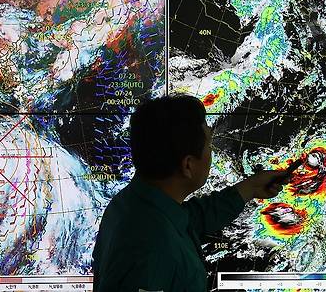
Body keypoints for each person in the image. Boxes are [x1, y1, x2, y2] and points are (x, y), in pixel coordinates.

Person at [92, 95, 292, 291]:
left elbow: (190, 220)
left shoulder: (132, 204)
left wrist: (251, 187)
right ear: (187, 165)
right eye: (209, 146)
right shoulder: (153, 250)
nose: (210, 153)